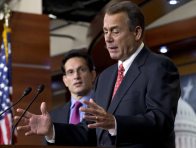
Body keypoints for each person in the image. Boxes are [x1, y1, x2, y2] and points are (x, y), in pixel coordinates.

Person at [15, 1, 181, 148]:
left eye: (115, 31)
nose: (107, 39)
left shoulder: (159, 67)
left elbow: (161, 121)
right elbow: (89, 130)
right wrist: (52, 130)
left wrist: (115, 123)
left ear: (136, 33)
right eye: (105, 31)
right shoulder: (105, 77)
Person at [42, 49, 96, 145]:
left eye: (82, 70)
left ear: (92, 75)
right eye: (70, 72)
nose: (76, 76)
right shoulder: (52, 116)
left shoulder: (104, 106)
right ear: (65, 80)